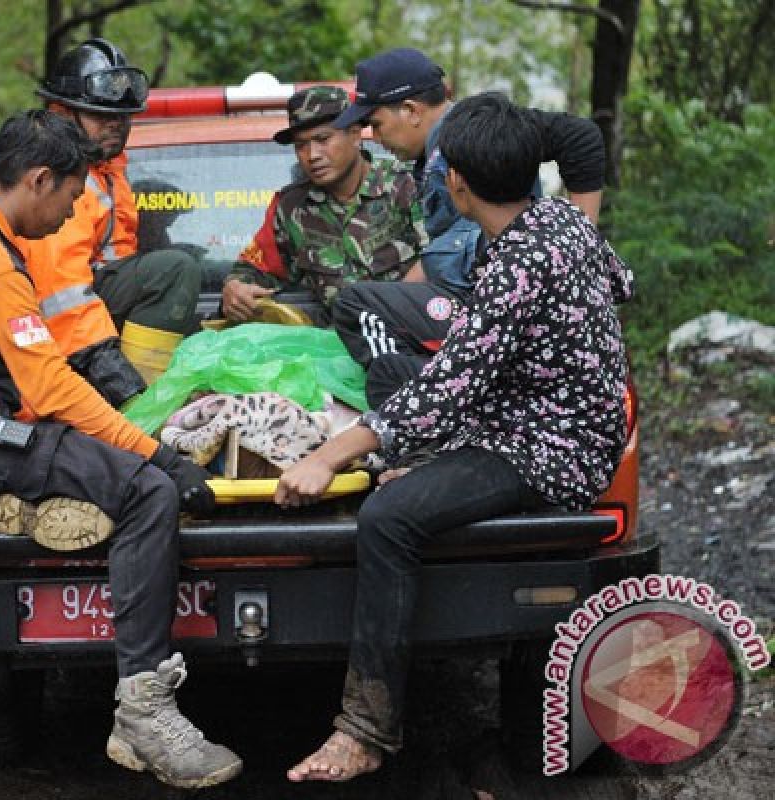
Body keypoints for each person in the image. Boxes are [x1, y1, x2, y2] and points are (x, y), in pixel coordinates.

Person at [0, 109, 242, 789]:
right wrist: (155, 454)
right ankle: (144, 713)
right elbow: (46, 383)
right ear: (38, 179)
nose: (71, 215)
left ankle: (22, 503)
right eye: (71, 200)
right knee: (146, 492)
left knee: (93, 461)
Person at [275, 92, 633, 782]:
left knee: (387, 516)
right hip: (538, 413)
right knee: (395, 374)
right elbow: (624, 280)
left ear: (459, 183)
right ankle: (436, 469)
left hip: (552, 449)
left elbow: (446, 392)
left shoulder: (512, 268)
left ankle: (365, 731)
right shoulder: (562, 220)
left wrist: (328, 454)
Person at [328, 48, 607, 408]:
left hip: (502, 298)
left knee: (356, 306)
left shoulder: (478, 129)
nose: (375, 138)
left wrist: (580, 251)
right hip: (484, 297)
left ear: (411, 111)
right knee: (390, 366)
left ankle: (443, 403)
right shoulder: (429, 156)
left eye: (376, 124)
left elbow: (581, 137)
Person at [34, 37, 203, 392]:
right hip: (66, 335)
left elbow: (119, 258)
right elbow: (61, 295)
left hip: (96, 310)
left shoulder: (109, 169)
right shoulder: (48, 179)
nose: (116, 125)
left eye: (122, 116)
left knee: (190, 262)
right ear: (62, 113)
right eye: (102, 115)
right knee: (175, 268)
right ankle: (144, 405)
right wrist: (121, 383)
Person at [220, 85, 422, 324]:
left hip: (413, 338)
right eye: (301, 145)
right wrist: (234, 287)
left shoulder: (408, 185)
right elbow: (255, 269)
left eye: (322, 139)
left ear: (355, 135)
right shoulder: (291, 208)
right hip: (337, 349)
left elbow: (444, 262)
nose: (312, 155)